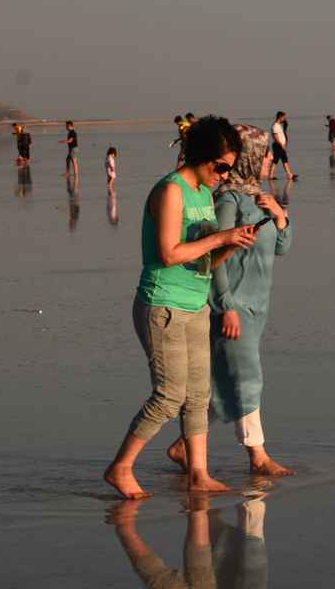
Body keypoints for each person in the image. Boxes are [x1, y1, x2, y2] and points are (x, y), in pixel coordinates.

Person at [104, 116, 259, 500]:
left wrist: (229, 245)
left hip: (195, 304)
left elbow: (204, 261)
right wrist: (219, 236)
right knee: (169, 394)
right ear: (203, 157)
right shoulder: (171, 191)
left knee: (198, 395)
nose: (224, 176)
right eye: (221, 167)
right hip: (163, 306)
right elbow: (169, 253)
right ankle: (121, 467)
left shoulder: (204, 194)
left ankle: (199, 473)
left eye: (230, 169)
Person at [169, 124, 295, 478]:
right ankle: (258, 455)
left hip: (257, 307)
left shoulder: (260, 198)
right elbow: (213, 255)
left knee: (223, 382)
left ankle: (183, 447)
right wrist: (225, 306)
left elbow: (282, 247)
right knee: (248, 378)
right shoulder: (228, 200)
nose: (270, 157)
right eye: (265, 151)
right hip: (234, 307)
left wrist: (281, 216)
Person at [270, 111, 296, 184]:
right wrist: (281, 145)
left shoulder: (279, 125)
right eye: (284, 117)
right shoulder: (275, 126)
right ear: (280, 117)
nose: (285, 119)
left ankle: (289, 175)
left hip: (281, 145)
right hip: (278, 145)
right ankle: (271, 175)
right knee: (277, 160)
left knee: (283, 160)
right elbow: (276, 137)